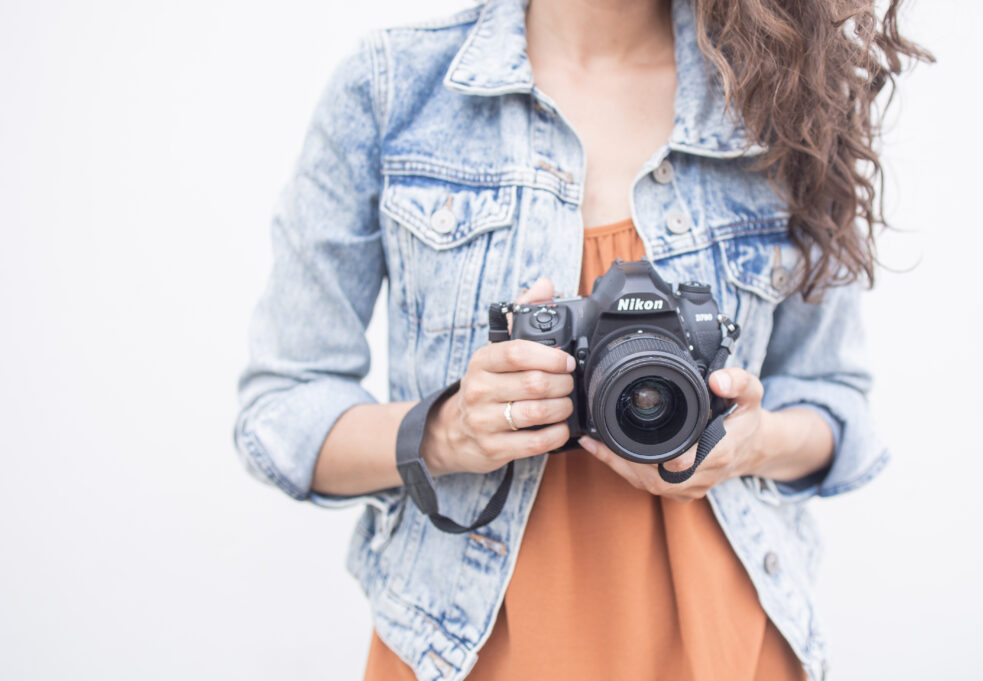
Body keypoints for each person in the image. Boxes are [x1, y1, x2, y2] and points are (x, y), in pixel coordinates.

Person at [233, 0, 929, 679]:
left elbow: (836, 403)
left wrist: (754, 442)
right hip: (462, 647)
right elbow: (281, 408)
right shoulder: (392, 87)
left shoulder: (781, 91)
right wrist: (449, 432)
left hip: (730, 645)